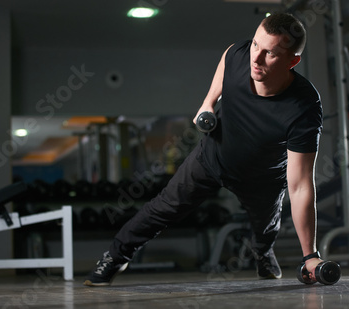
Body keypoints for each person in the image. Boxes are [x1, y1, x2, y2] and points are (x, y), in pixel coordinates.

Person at [84, 12, 324, 287]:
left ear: (293, 61)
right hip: (213, 157)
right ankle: (115, 257)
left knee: (265, 227)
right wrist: (208, 103)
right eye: (256, 45)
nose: (255, 59)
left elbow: (301, 186)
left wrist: (310, 256)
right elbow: (226, 66)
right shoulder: (238, 54)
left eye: (269, 53)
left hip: (263, 177)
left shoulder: (304, 107)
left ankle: (262, 252)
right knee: (164, 206)